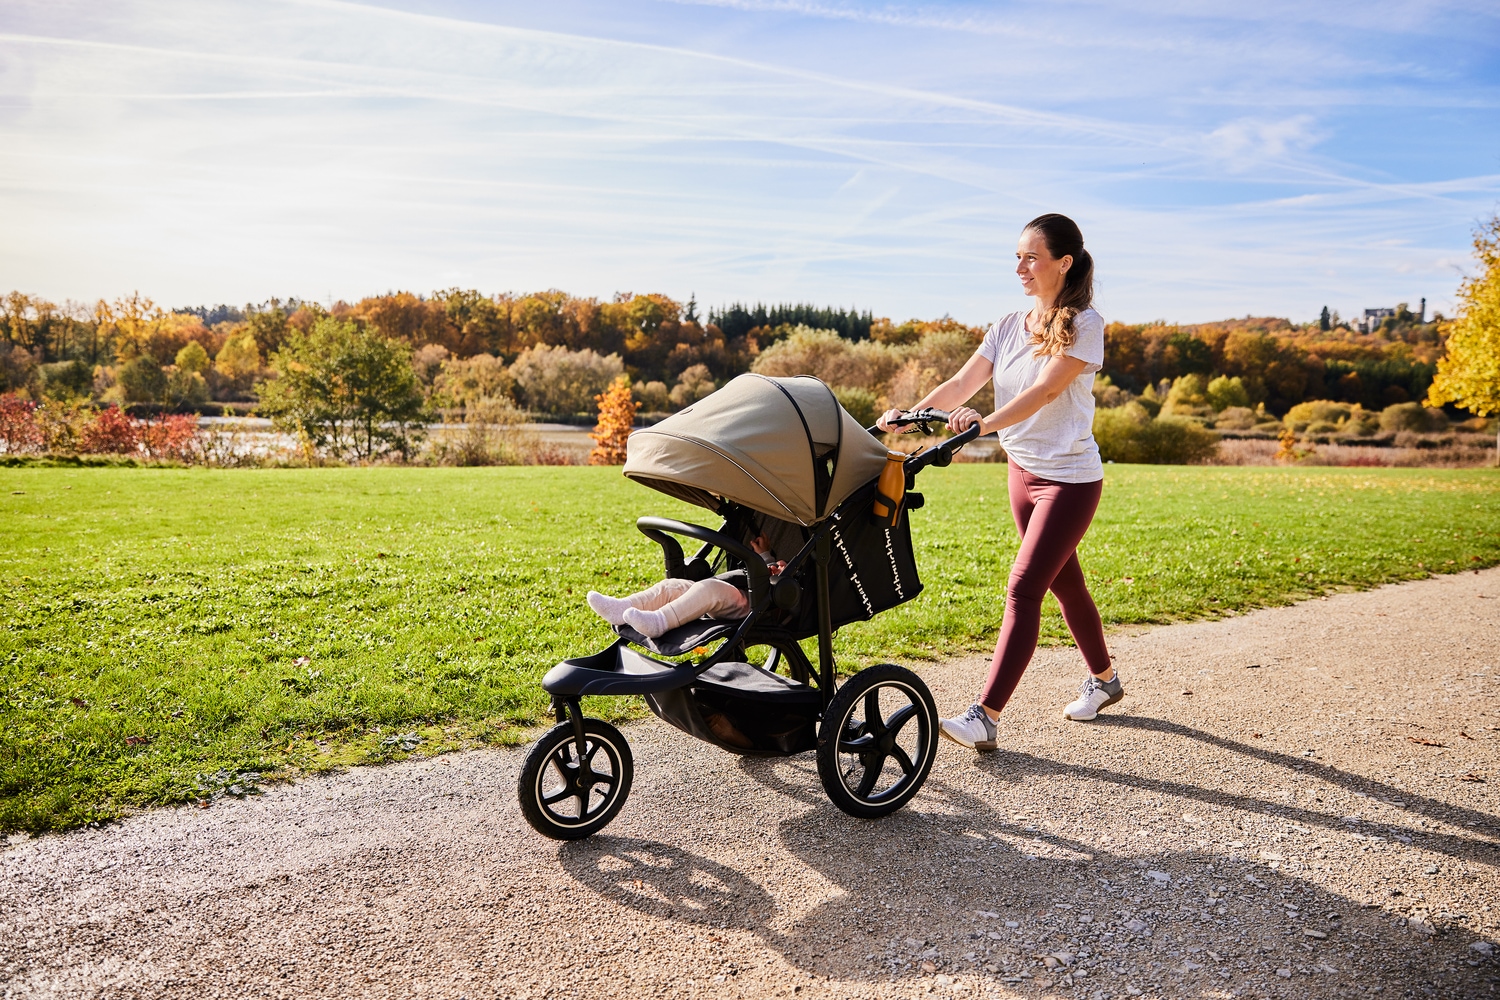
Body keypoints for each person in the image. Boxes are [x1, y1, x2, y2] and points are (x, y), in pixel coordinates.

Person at [877, 213, 1120, 751]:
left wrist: (981, 425)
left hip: (1068, 480)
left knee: (1023, 588)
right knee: (1065, 584)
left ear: (1064, 262)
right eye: (1017, 257)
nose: (1020, 268)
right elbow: (962, 382)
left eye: (1032, 257)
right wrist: (909, 417)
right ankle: (1105, 681)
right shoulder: (1009, 324)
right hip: (1021, 472)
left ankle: (985, 716)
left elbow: (1045, 392)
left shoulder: (1085, 325)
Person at [587, 536, 786, 638]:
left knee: (710, 589)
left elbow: (785, 585)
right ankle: (621, 608)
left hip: (755, 603)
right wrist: (766, 556)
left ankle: (658, 623)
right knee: (671, 586)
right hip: (738, 589)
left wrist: (783, 573)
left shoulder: (792, 575)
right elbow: (770, 566)